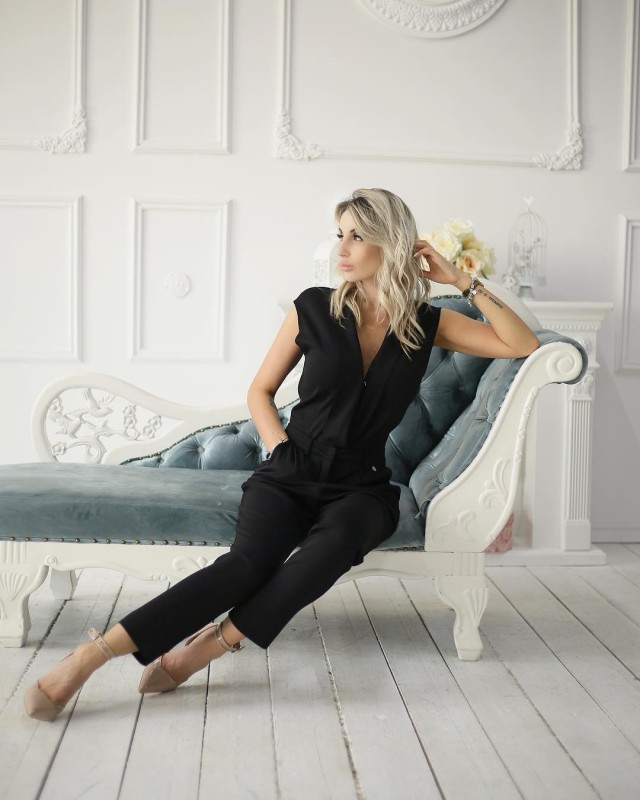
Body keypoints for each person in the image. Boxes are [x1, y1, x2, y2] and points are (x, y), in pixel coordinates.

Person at [24, 188, 539, 721]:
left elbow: (522, 344)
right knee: (245, 566)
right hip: (289, 472)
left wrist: (462, 281)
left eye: (357, 236)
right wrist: (280, 448)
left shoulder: (427, 323)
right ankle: (91, 655)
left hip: (362, 487)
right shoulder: (313, 308)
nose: (342, 248)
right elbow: (260, 392)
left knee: (322, 557)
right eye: (339, 234)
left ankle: (206, 648)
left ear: (391, 244)